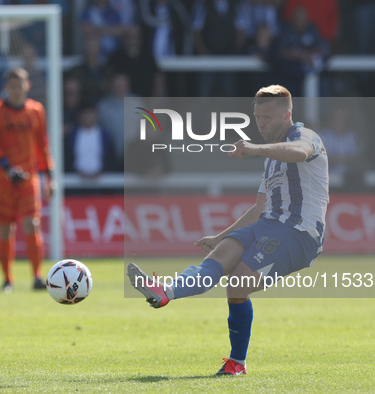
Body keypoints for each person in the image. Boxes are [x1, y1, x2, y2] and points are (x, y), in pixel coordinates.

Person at [127, 85, 329, 376]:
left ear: (287, 114)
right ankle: (164, 291)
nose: (261, 124)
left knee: (237, 283)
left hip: (299, 232)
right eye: (257, 117)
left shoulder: (304, 137)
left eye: (268, 117)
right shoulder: (272, 157)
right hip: (267, 224)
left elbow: (300, 152)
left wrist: (254, 148)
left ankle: (237, 362)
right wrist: (221, 235)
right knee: (220, 257)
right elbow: (259, 207)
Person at [0, 68, 55, 292]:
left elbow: (42, 144)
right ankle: (7, 280)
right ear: (7, 87)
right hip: (2, 178)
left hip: (28, 177)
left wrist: (49, 175)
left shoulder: (36, 111)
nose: (16, 89)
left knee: (32, 224)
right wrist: (7, 167)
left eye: (20, 85)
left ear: (27, 86)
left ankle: (36, 276)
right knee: (6, 229)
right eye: (12, 85)